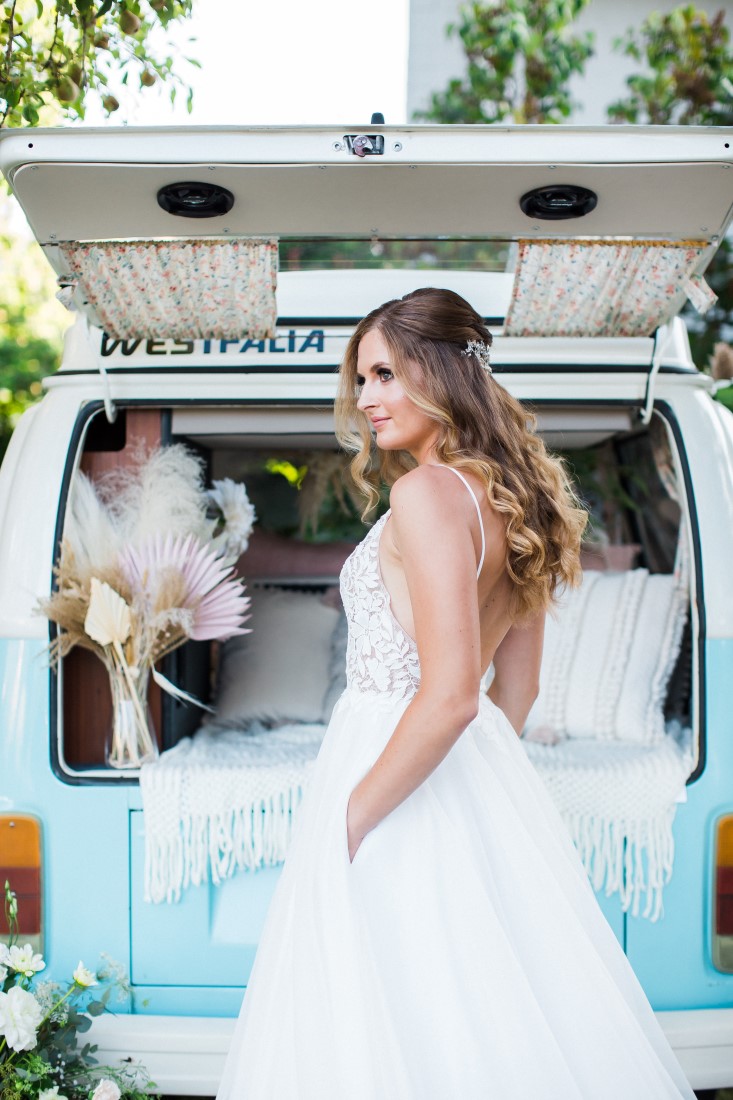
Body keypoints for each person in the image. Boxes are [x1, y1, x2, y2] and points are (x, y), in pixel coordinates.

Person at [216, 288, 695, 1099]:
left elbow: (447, 697)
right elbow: (518, 686)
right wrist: (475, 790)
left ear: (439, 375)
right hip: (455, 772)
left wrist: (351, 819)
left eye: (384, 375)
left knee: (381, 1029)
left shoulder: (427, 493)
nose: (365, 399)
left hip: (389, 771)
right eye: (360, 379)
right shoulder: (522, 502)